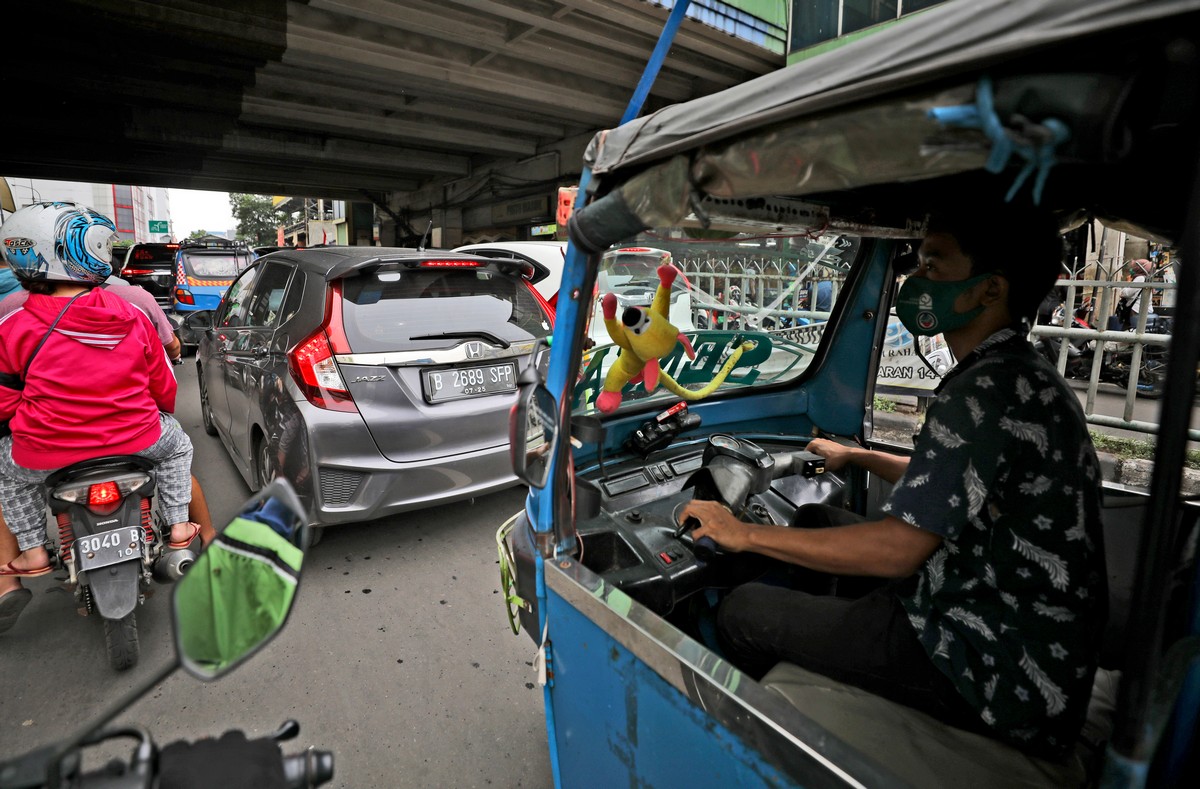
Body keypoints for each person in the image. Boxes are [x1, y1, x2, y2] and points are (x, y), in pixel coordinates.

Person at [679, 203, 1107, 759]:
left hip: (988, 665)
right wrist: (857, 457)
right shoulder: (1022, 372)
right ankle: (832, 644)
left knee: (743, 612)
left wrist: (743, 533)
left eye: (934, 267)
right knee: (814, 517)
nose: (916, 281)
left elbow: (898, 551)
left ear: (989, 290)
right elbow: (956, 481)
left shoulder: (982, 392)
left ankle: (761, 749)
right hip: (1011, 626)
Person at [0, 202, 202, 587]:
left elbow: (5, 398)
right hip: (137, 438)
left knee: (8, 473)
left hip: (44, 450)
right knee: (178, 447)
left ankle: (33, 550)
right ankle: (178, 528)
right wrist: (159, 413)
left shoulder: (14, 322)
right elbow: (163, 383)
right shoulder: (132, 311)